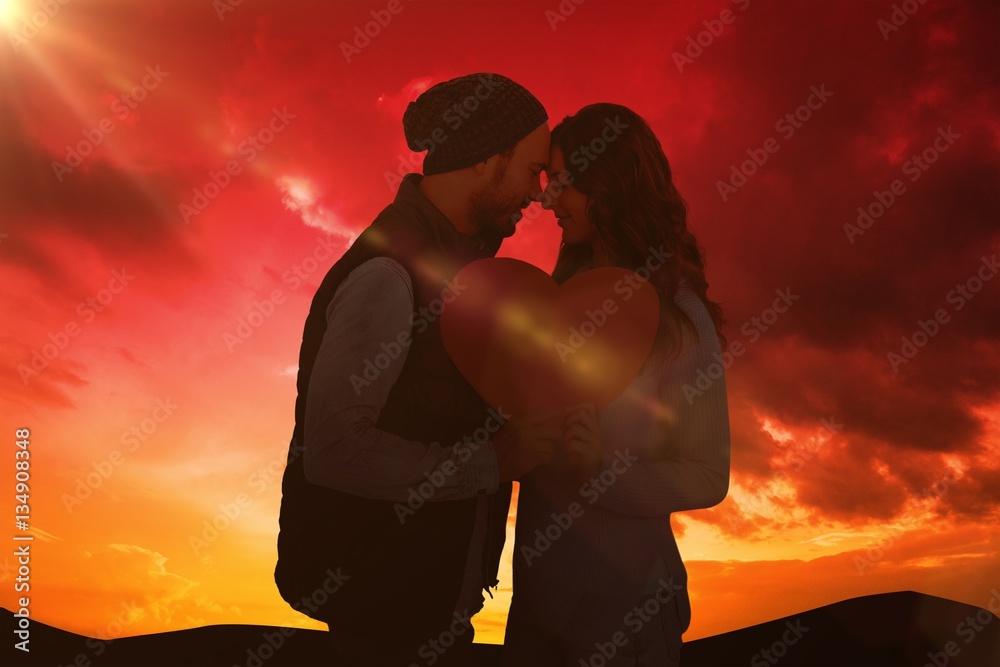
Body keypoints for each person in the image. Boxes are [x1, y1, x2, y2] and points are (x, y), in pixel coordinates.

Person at [274, 73, 561, 666]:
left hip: (429, 608)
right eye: (532, 169)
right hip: (382, 619)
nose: (538, 193)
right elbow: (335, 448)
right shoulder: (389, 272)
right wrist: (492, 463)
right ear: (488, 159)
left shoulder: (456, 268)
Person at [503, 103, 731, 666]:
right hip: (535, 613)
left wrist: (601, 470)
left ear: (609, 185)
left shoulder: (678, 319)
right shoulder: (559, 297)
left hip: (628, 627)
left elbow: (708, 475)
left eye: (564, 183)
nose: (548, 199)